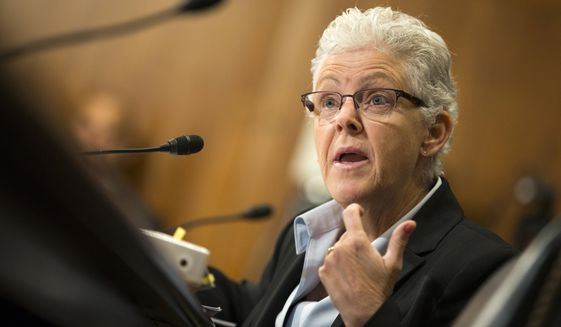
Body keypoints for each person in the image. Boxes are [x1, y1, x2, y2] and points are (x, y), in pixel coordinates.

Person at [197, 7, 515, 326]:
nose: (344, 119)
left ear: (433, 133)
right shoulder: (307, 230)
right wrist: (168, 265)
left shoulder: (483, 269)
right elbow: (256, 310)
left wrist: (370, 315)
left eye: (377, 99)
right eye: (330, 102)